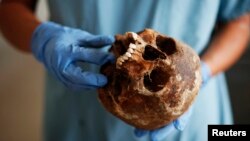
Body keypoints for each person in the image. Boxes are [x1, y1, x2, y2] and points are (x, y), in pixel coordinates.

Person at [0, 0, 249, 141]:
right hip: (78, 121)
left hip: (193, 122)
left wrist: (203, 72)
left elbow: (242, 18)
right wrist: (41, 39)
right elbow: (9, 7)